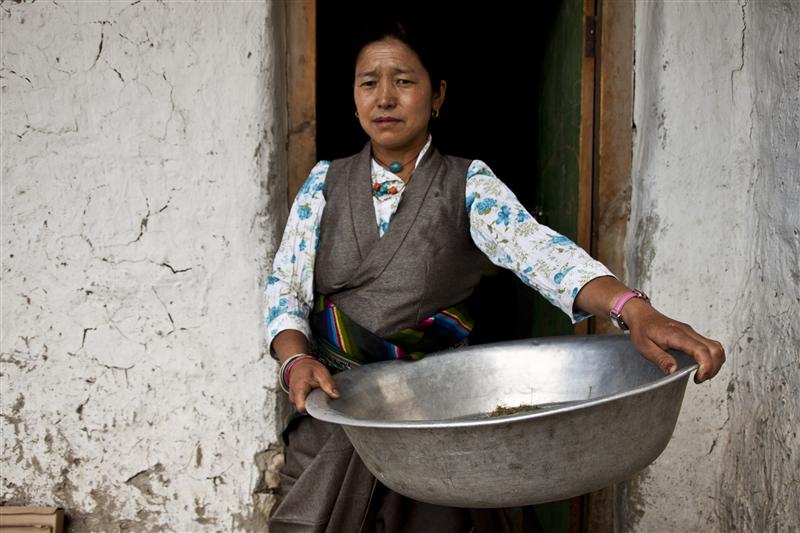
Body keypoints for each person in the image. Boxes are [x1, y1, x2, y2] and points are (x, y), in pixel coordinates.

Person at [265, 20, 725, 533]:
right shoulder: (323, 185)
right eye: (368, 82)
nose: (385, 97)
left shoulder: (468, 184)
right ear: (353, 99)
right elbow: (286, 288)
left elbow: (540, 253)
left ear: (437, 94)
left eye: (404, 80)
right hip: (335, 409)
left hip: (433, 427)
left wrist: (633, 310)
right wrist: (296, 359)